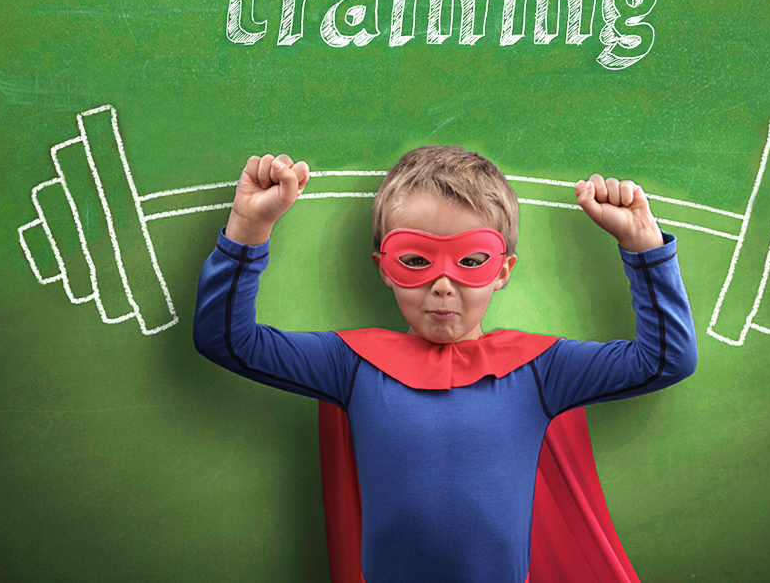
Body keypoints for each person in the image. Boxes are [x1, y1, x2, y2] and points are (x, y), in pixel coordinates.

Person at [193, 146, 697, 583]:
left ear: (502, 271)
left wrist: (642, 245)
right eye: (415, 259)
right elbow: (225, 340)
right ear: (383, 269)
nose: (441, 284)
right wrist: (249, 226)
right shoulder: (352, 364)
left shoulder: (540, 368)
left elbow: (665, 360)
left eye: (469, 260)